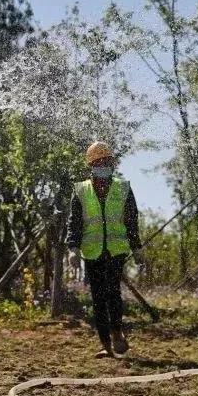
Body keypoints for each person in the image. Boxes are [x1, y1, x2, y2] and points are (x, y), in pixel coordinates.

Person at [66, 141, 143, 359]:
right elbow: (75, 223)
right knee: (98, 297)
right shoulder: (80, 190)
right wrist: (72, 247)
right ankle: (105, 344)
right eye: (98, 162)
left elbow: (131, 219)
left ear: (112, 163)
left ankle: (117, 333)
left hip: (116, 250)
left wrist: (136, 247)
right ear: (91, 165)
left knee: (113, 293)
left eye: (106, 161)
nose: (103, 165)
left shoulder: (123, 187)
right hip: (92, 251)